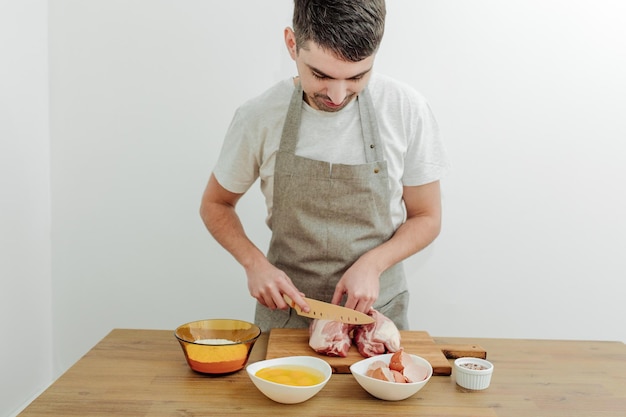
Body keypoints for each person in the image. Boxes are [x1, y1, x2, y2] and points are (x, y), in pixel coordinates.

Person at [200, 0, 448, 332]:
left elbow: (427, 217)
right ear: (292, 44)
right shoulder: (259, 116)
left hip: (375, 318)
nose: (337, 94)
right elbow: (216, 204)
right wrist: (255, 265)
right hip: (288, 317)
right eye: (321, 75)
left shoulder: (406, 109)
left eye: (358, 76)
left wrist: (373, 265)